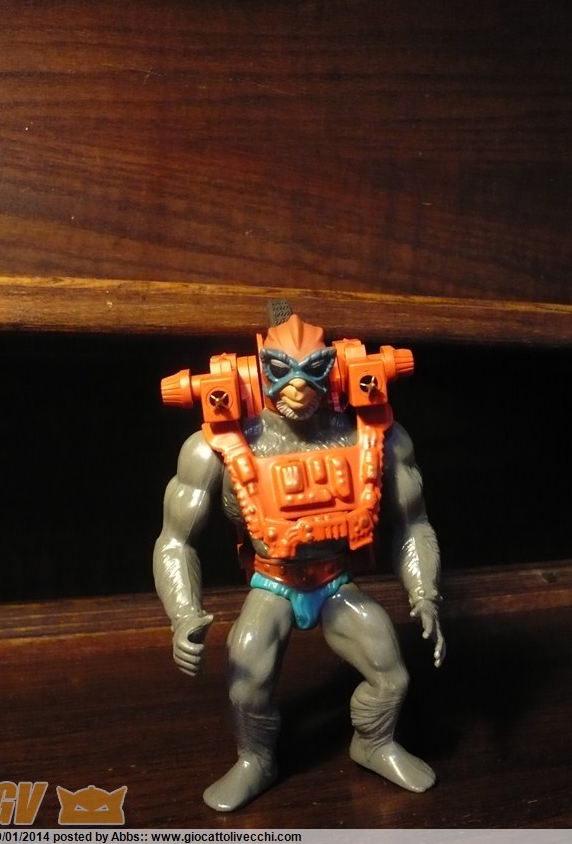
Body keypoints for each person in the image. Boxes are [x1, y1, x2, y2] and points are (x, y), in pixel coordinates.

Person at [153, 306, 445, 812]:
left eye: (313, 370)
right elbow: (175, 542)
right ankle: (255, 759)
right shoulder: (215, 447)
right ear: (254, 372)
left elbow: (413, 524)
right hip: (274, 582)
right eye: (280, 370)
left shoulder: (375, 435)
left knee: (391, 674)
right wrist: (183, 615)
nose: (297, 386)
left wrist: (424, 591)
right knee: (246, 682)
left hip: (335, 581)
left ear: (337, 368)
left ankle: (373, 743)